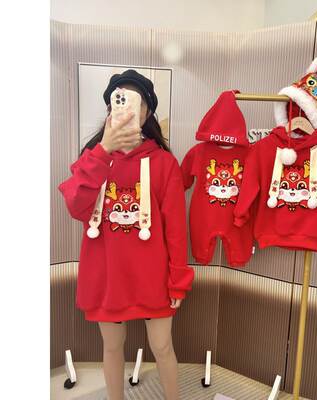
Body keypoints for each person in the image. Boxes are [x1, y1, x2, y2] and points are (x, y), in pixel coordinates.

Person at [58, 69, 194, 400]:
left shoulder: (163, 163)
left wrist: (178, 278)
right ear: (110, 107)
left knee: (162, 346)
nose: (128, 108)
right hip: (107, 274)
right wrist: (104, 150)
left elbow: (176, 228)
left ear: (148, 111)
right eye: (119, 99)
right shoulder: (92, 158)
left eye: (136, 101)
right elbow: (76, 206)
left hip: (153, 276)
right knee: (111, 347)